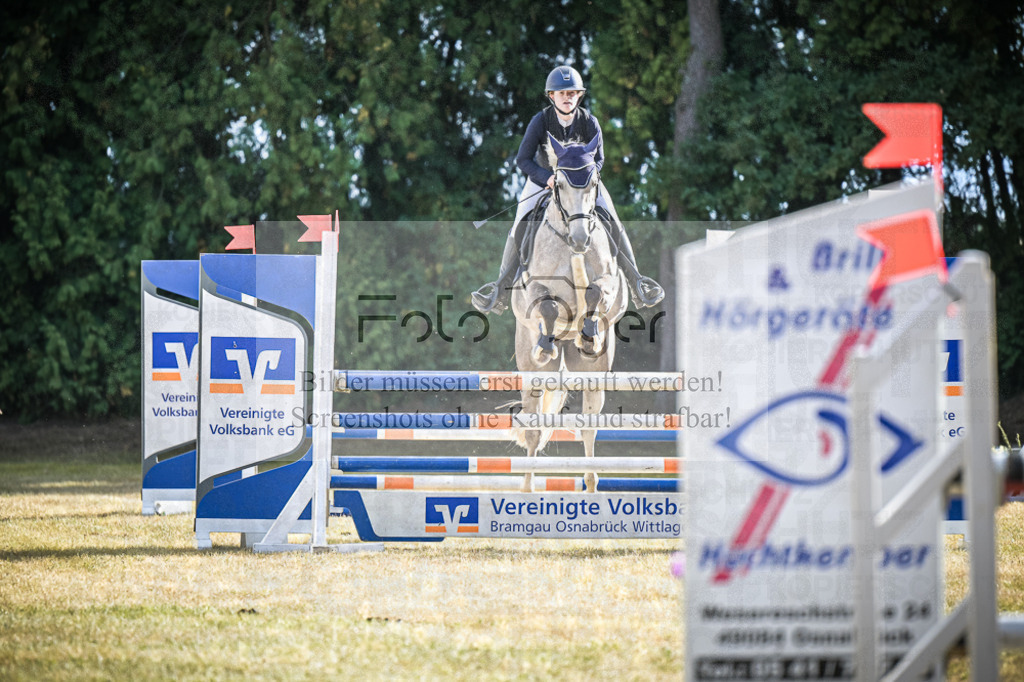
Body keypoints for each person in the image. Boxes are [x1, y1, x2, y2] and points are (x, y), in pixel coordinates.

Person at [471, 65, 664, 314]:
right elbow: (523, 159)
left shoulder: (590, 122)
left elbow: (600, 159)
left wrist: (587, 178)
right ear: (551, 96)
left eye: (572, 93)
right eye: (562, 93)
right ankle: (499, 290)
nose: (567, 97)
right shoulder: (540, 121)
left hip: (582, 185)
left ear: (579, 96)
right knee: (520, 222)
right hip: (543, 181)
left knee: (613, 220)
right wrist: (547, 178)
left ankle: (637, 283)